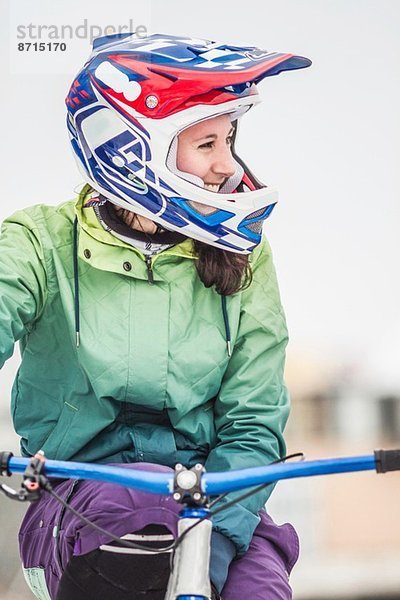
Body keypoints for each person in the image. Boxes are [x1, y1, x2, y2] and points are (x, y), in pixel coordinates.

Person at [0, 33, 311, 599]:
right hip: (78, 508)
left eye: (230, 140)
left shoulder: (245, 254)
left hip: (217, 502)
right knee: (144, 507)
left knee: (258, 588)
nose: (227, 165)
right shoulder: (38, 242)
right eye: (206, 144)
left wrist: (209, 551)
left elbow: (253, 421)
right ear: (131, 150)